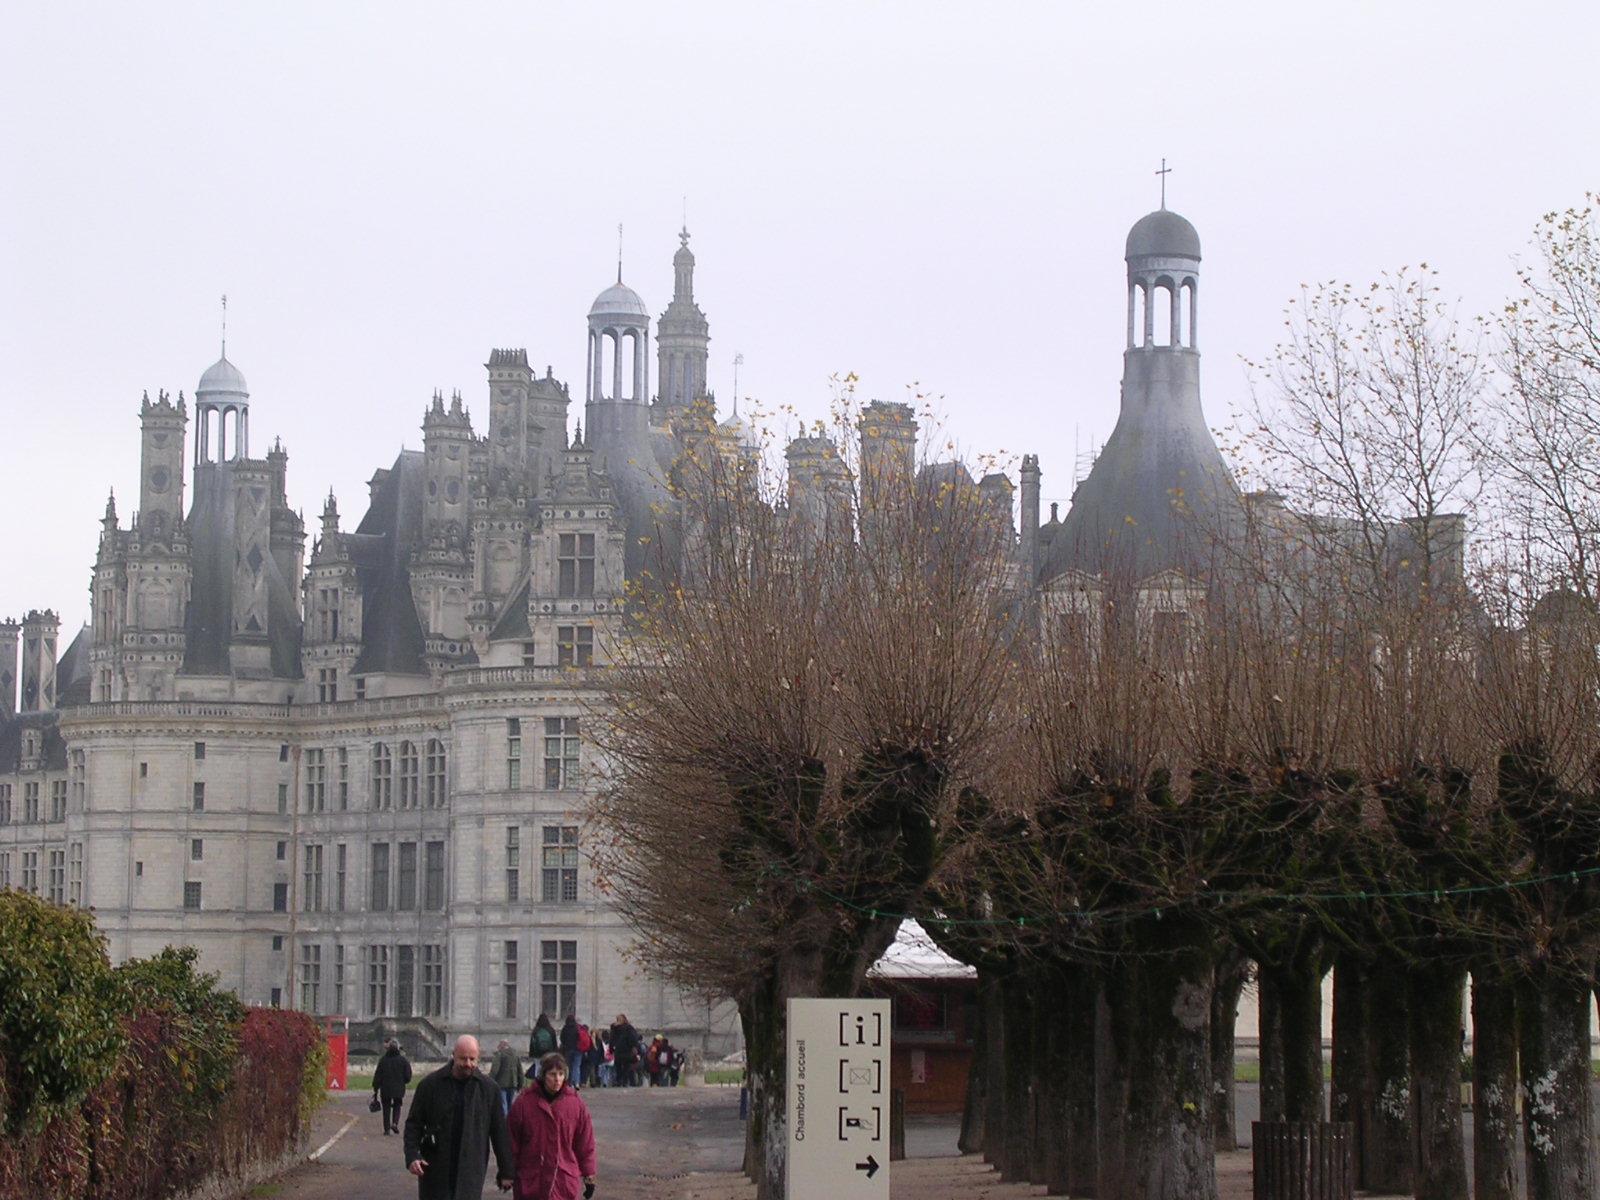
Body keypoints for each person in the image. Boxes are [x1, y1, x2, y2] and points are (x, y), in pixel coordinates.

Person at [403, 1034, 514, 1198]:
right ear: (453, 1055)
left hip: (470, 1168)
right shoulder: (430, 1085)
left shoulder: (489, 1090)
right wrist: (412, 1155)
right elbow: (414, 1124)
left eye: (472, 1059)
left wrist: (506, 1171)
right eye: (463, 1059)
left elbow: (499, 1133)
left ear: (478, 1058)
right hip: (435, 1167)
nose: (468, 1064)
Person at [508, 1052, 597, 1200]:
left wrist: (589, 1173)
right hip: (532, 1181)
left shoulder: (575, 1104)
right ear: (543, 1076)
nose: (557, 1079)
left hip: (563, 1180)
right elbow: (512, 1141)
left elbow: (585, 1142)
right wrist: (507, 1171)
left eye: (561, 1074)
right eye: (552, 1074)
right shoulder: (524, 1104)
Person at [373, 1038, 413, 1135]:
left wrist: (376, 1087)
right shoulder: (403, 1060)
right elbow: (408, 1075)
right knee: (397, 1105)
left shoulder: (383, 1060)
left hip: (385, 1088)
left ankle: (386, 1129)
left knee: (386, 1108)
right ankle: (395, 1123)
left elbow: (378, 1075)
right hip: (398, 1087)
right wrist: (404, 1081)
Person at [488, 1038, 523, 1114]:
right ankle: (510, 1120)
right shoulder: (515, 1055)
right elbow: (520, 1071)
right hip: (513, 1083)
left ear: (502, 1045)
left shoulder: (500, 1054)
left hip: (501, 1084)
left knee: (503, 1105)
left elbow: (495, 1070)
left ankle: (505, 1120)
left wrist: (489, 1081)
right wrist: (520, 1084)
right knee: (510, 1105)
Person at [609, 1015, 641, 1087]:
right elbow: (634, 1038)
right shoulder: (629, 1028)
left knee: (618, 1066)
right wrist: (633, 1046)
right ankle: (625, 1081)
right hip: (627, 1050)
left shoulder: (615, 1028)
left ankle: (619, 1081)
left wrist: (611, 1049)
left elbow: (612, 1039)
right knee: (626, 1066)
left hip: (618, 1050)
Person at [559, 1014, 584, 1086]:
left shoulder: (565, 1028)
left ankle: (569, 1083)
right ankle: (576, 1082)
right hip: (578, 1049)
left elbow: (562, 1038)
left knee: (568, 1066)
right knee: (576, 1066)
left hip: (568, 1049)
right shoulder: (577, 1028)